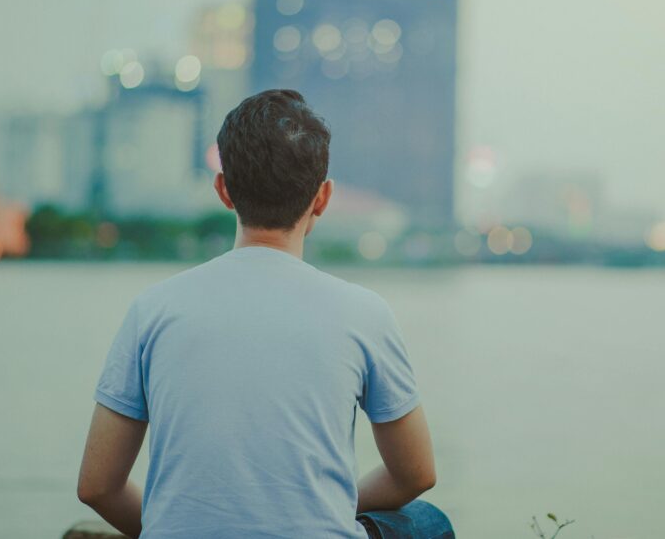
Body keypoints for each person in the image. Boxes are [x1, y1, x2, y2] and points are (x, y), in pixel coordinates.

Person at [77, 89, 453, 538]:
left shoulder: (152, 310)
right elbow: (415, 474)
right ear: (322, 198)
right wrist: (323, 503)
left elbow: (97, 486)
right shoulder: (364, 313)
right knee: (428, 522)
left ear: (223, 190)